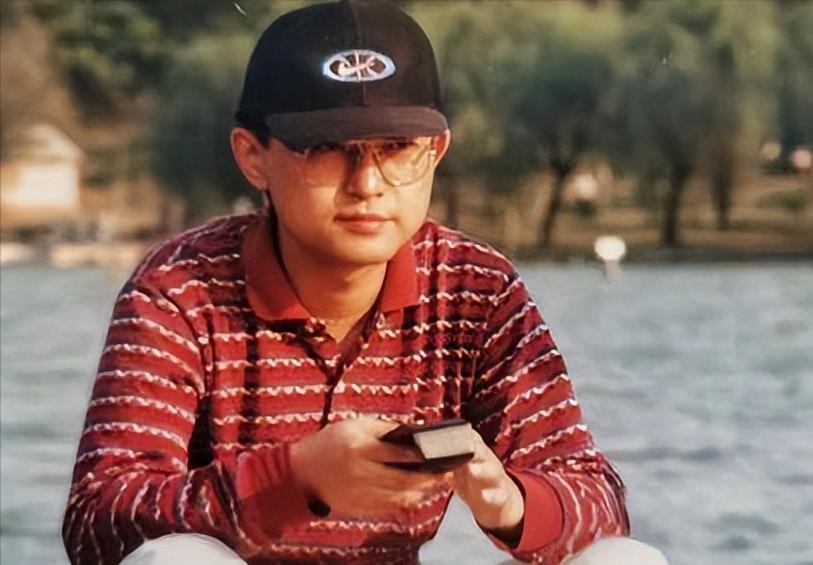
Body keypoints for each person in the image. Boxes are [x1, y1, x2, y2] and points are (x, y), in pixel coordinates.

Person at [62, 1, 667, 564]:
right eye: (326, 148)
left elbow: (600, 499)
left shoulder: (475, 290)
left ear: (435, 151)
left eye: (397, 148)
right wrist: (295, 477)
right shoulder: (178, 289)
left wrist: (508, 502)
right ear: (253, 156)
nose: (368, 184)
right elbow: (96, 524)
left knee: (625, 560)